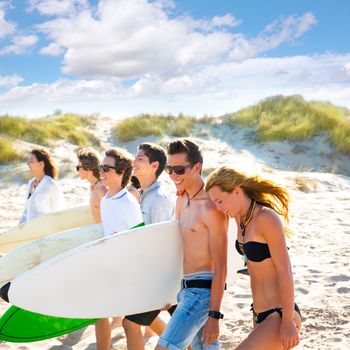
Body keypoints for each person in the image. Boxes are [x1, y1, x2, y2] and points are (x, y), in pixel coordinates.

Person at [205, 166, 302, 350]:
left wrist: (288, 321)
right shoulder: (238, 217)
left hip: (279, 313)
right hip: (259, 314)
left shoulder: (266, 218)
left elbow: (285, 270)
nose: (218, 208)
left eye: (219, 201)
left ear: (236, 192)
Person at [156, 139, 228, 350]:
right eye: (169, 170)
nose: (173, 176)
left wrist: (214, 315)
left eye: (179, 170)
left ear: (197, 168)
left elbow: (221, 265)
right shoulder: (181, 199)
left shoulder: (211, 208)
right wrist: (169, 291)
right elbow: (177, 248)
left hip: (203, 292)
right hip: (185, 288)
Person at [123, 142, 175, 350]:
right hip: (157, 276)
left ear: (155, 166)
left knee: (130, 323)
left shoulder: (159, 198)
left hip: (163, 277)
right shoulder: (144, 195)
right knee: (187, 332)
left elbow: (162, 243)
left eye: (140, 159)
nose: (133, 162)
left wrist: (158, 284)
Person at [97, 147, 143, 350]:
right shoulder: (105, 200)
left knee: (132, 322)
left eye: (106, 168)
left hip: (129, 274)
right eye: (101, 167)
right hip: (111, 271)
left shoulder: (128, 203)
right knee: (99, 313)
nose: (101, 172)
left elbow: (139, 242)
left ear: (121, 172)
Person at [19, 148, 64, 224]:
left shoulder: (50, 185)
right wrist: (18, 228)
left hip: (45, 229)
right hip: (31, 229)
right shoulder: (30, 183)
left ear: (41, 164)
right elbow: (26, 211)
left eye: (31, 161)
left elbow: (58, 210)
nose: (28, 164)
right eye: (28, 161)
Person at [76, 148, 107, 222]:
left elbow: (113, 214)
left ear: (88, 168)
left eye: (78, 168)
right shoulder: (92, 187)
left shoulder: (102, 189)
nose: (77, 171)